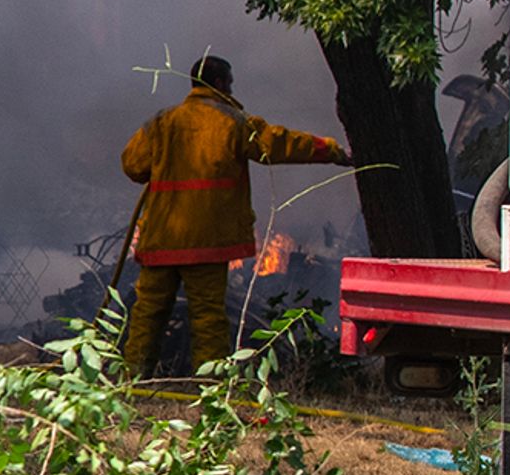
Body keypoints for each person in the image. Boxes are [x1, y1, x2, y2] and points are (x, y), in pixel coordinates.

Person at [115, 53, 347, 377]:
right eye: (231, 83)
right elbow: (279, 144)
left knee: (148, 312)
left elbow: (133, 165)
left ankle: (132, 379)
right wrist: (330, 150)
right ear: (221, 83)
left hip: (161, 239)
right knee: (208, 316)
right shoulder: (232, 122)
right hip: (207, 243)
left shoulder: (162, 122)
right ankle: (210, 388)